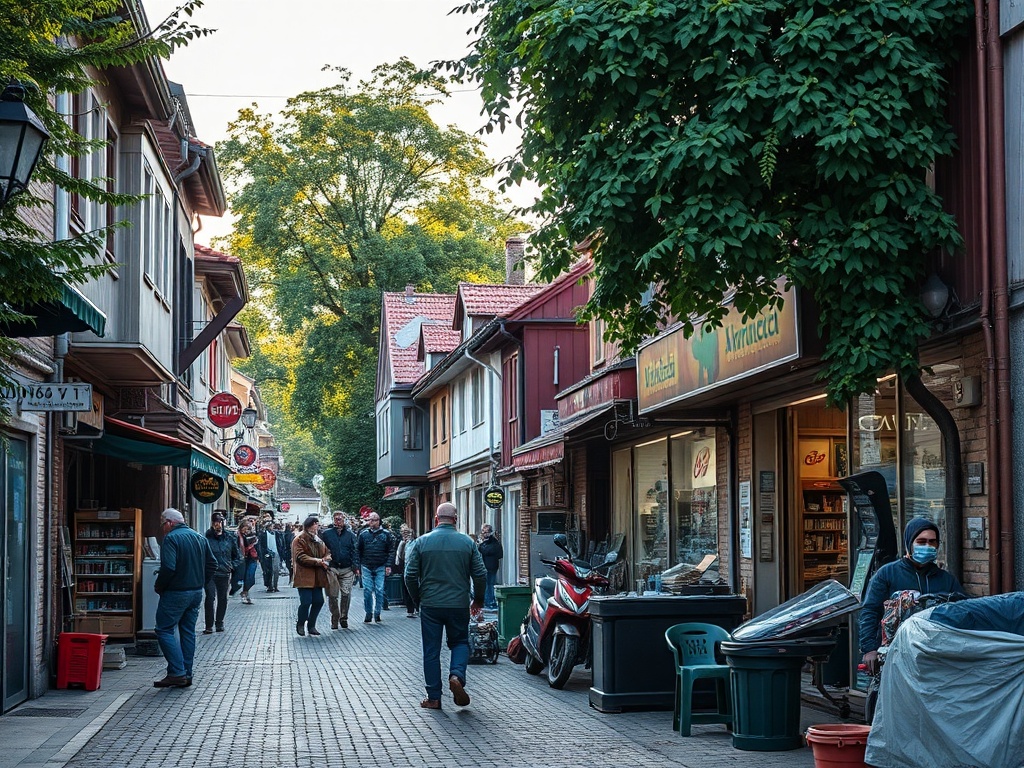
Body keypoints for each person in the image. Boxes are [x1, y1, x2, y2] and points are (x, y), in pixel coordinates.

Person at [404, 502, 486, 710]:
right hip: (458, 603)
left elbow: (410, 575)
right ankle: (457, 675)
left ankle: (433, 697)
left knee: (431, 650)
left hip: (430, 604)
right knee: (460, 642)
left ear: (436, 519)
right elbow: (480, 573)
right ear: (456, 519)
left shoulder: (422, 542)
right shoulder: (467, 543)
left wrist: (417, 599)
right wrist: (478, 600)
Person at [858, 517, 965, 674]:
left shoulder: (946, 579)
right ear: (909, 543)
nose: (927, 546)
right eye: (921, 542)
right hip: (893, 654)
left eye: (932, 542)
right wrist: (869, 649)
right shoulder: (887, 574)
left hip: (933, 655)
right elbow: (870, 611)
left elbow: (961, 609)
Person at [153, 508, 216, 688]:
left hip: (176, 592)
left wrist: (160, 585)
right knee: (188, 631)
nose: (162, 528)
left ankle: (177, 672)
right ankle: (186, 673)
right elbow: (212, 563)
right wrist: (201, 581)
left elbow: (169, 568)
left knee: (164, 629)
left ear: (169, 523)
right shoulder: (199, 537)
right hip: (195, 591)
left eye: (162, 524)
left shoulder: (171, 539)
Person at [291, 515, 331, 636]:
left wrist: (326, 558)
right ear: (310, 525)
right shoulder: (299, 539)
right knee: (306, 601)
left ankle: (312, 625)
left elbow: (327, 551)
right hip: (304, 576)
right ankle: (301, 623)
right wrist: (318, 561)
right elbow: (300, 557)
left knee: (319, 601)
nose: (317, 526)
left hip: (317, 576)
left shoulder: (318, 539)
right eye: (316, 524)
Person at [203, 511, 240, 634]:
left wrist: (231, 566)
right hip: (210, 573)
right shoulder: (206, 538)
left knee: (223, 598)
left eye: (219, 522)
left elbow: (238, 556)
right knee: (210, 597)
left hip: (224, 572)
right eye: (215, 522)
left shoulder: (229, 538)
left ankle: (219, 623)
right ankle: (209, 625)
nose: (217, 525)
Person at [356, 510, 395, 623]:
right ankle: (369, 612)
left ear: (378, 521)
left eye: (373, 520)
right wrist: (358, 566)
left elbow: (391, 551)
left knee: (379, 590)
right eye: (370, 520)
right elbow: (358, 550)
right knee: (367, 590)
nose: (371, 522)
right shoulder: (363, 534)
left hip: (380, 565)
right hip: (366, 565)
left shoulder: (386, 534)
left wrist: (388, 565)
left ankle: (377, 612)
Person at [321, 510, 358, 629]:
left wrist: (355, 566)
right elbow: (321, 549)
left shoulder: (350, 534)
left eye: (340, 519)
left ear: (344, 520)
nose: (338, 521)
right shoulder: (326, 534)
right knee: (332, 595)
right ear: (333, 520)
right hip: (332, 568)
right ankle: (335, 617)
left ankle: (344, 617)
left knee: (346, 594)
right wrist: (324, 562)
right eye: (336, 519)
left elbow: (355, 551)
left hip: (347, 568)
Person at [477, 524, 503, 610]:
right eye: (483, 532)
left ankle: (490, 601)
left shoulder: (493, 542)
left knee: (490, 584)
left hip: (491, 566)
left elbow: (487, 551)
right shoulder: (486, 542)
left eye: (486, 532)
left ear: (490, 532)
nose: (484, 534)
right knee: (487, 584)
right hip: (485, 566)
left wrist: (481, 545)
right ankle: (487, 601)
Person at [395, 525, 418, 618]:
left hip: (405, 567)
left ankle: (410, 610)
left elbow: (399, 557)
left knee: (407, 589)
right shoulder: (415, 543)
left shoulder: (402, 543)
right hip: (411, 567)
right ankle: (414, 608)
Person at [259, 520, 282, 593]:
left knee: (276, 570)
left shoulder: (277, 534)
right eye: (271, 526)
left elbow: (280, 544)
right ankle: (269, 586)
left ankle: (275, 586)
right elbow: (261, 546)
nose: (272, 527)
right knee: (268, 571)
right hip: (267, 555)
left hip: (276, 553)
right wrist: (264, 554)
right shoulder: (263, 535)